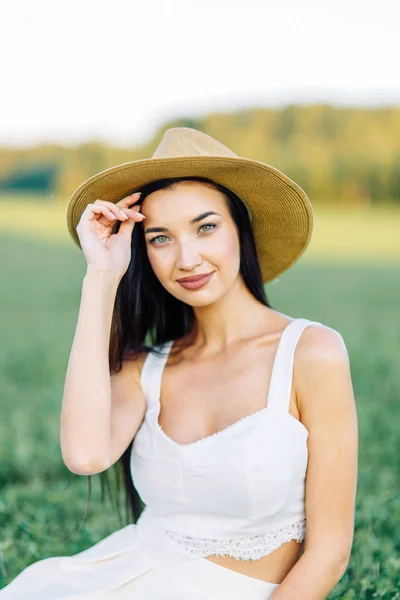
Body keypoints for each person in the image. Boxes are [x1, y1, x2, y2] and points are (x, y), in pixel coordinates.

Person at [1, 127, 358, 600]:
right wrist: (102, 277)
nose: (187, 258)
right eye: (160, 238)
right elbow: (85, 455)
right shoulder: (145, 367)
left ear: (240, 231)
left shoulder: (312, 353)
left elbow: (329, 553)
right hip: (126, 576)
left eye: (206, 226)